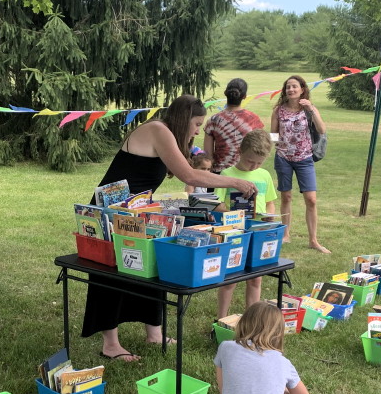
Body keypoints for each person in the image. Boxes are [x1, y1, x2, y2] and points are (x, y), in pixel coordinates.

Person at [82, 95, 260, 362]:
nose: (198, 131)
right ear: (183, 118)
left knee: (153, 265)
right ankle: (110, 345)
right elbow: (188, 175)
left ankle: (154, 332)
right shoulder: (158, 130)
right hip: (110, 211)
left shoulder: (166, 135)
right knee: (111, 275)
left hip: (136, 209)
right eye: (197, 124)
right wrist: (235, 182)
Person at [214, 129, 278, 319]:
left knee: (256, 278)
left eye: (259, 162)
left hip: (258, 233)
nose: (254, 166)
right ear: (240, 152)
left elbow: (270, 202)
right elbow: (217, 204)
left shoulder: (264, 175)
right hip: (235, 233)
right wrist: (231, 214)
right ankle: (221, 319)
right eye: (250, 161)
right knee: (230, 280)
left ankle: (253, 320)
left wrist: (270, 215)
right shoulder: (227, 174)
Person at [270, 75, 330, 254]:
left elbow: (322, 130)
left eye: (295, 86)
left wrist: (310, 108)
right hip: (283, 158)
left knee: (311, 200)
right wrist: (277, 144)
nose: (291, 90)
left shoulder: (309, 109)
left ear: (302, 89)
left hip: (305, 158)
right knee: (286, 197)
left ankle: (313, 240)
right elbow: (272, 132)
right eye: (288, 87)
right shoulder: (278, 110)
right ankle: (286, 234)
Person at [204, 78, 266, 174]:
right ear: (244, 96)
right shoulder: (254, 119)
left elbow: (208, 154)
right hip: (245, 171)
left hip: (220, 173)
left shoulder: (213, 120)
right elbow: (261, 147)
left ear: (225, 93)